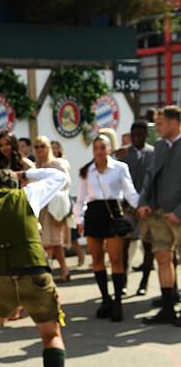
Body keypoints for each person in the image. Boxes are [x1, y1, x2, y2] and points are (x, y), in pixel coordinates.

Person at [0, 168, 68, 367]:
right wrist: (25, 173)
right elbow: (60, 177)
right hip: (34, 271)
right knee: (51, 335)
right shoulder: (28, 194)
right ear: (15, 185)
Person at [74, 134, 139, 322]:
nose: (99, 152)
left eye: (103, 148)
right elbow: (81, 199)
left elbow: (130, 193)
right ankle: (105, 299)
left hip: (113, 214)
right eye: (96, 148)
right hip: (94, 214)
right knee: (96, 259)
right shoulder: (86, 171)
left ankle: (118, 301)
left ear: (110, 149)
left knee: (116, 259)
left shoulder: (120, 168)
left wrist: (142, 207)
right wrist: (79, 220)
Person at [137, 105, 181, 325]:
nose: (157, 128)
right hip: (160, 214)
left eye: (161, 123)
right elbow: (150, 176)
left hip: (178, 214)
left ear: (174, 123)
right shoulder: (160, 146)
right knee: (163, 257)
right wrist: (143, 202)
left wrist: (179, 212)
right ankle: (167, 308)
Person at [119, 121, 155, 296]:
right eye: (133, 136)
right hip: (128, 207)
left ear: (146, 135)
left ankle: (144, 282)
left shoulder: (153, 153)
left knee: (148, 245)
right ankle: (123, 281)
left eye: (140, 135)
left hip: (148, 208)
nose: (136, 139)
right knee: (124, 244)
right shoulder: (124, 153)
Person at [34, 135, 72, 283]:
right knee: (53, 242)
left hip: (54, 209)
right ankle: (64, 270)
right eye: (36, 146)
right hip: (41, 208)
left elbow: (66, 183)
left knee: (50, 242)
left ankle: (46, 276)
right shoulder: (35, 166)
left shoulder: (56, 164)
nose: (39, 149)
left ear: (48, 147)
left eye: (42, 146)